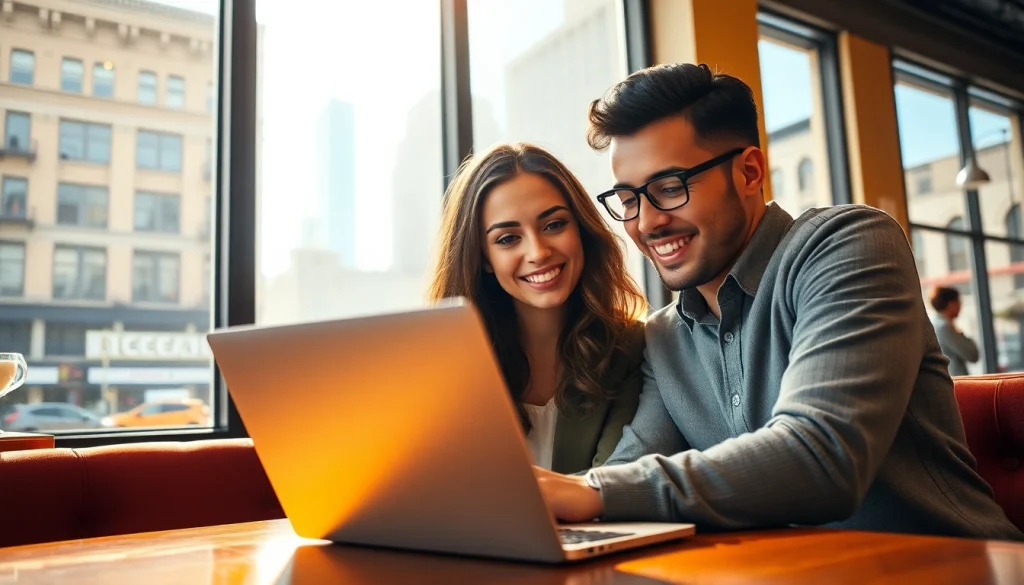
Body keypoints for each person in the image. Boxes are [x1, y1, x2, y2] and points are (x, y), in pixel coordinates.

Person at [532, 63, 1022, 540]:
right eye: (629, 198)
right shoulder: (664, 336)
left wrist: (591, 492)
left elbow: (824, 455)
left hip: (955, 566)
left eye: (668, 188)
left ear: (749, 172)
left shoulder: (847, 243)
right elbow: (631, 468)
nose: (646, 223)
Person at [428, 142, 647, 474]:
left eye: (554, 225)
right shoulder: (445, 365)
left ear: (581, 229)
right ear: (483, 258)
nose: (538, 252)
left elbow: (614, 482)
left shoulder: (630, 346)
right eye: (507, 239)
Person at [929, 286, 979, 376]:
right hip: (955, 383)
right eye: (958, 302)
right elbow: (972, 354)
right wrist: (960, 333)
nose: (960, 306)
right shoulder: (944, 328)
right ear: (951, 304)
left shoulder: (934, 324)